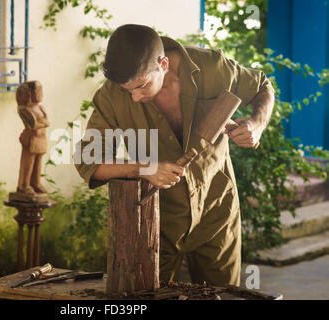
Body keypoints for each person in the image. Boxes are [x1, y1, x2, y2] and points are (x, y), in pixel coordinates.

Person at [75, 24, 275, 286]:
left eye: (141, 86)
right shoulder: (112, 95)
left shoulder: (212, 68)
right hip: (153, 222)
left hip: (216, 211)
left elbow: (261, 86)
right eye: (127, 90)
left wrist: (256, 124)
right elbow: (89, 161)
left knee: (223, 294)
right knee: (146, 296)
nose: (134, 98)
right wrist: (145, 169)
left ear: (164, 64)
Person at [16, 80, 50, 195]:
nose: (41, 94)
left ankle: (36, 183)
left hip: (41, 139)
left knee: (38, 162)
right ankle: (24, 185)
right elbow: (33, 125)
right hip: (31, 139)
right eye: (38, 91)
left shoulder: (40, 108)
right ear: (30, 94)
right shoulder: (24, 109)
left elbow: (47, 122)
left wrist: (43, 123)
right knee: (28, 163)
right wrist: (43, 123)